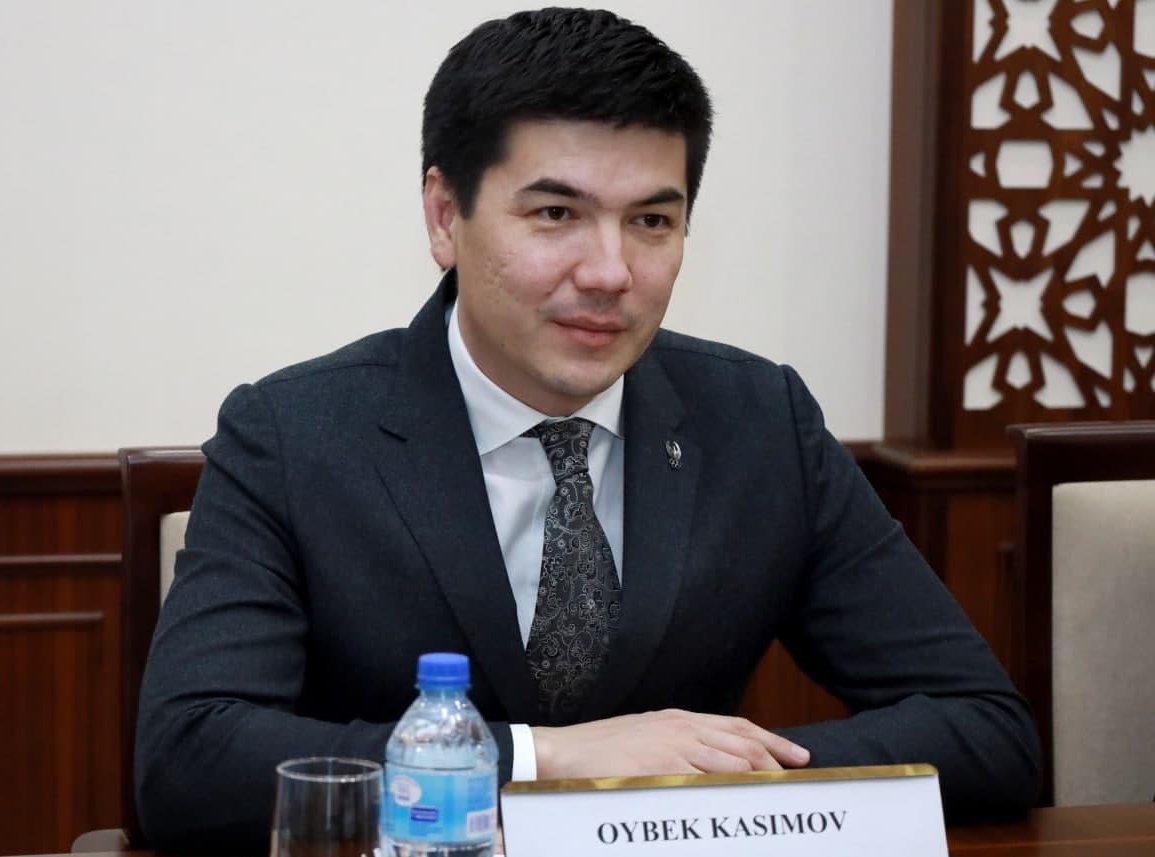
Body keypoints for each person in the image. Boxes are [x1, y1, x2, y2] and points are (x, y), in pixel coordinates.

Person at [133, 7, 1041, 851]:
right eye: (556, 213)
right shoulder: (294, 434)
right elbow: (187, 760)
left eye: (652, 220)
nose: (610, 272)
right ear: (446, 217)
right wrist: (545, 759)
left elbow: (988, 731)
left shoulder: (761, 422)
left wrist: (709, 783)